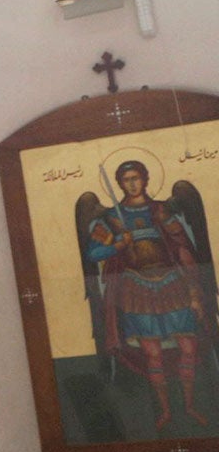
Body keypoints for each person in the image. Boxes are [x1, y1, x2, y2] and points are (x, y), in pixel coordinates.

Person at [83, 160, 210, 429]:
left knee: (188, 346)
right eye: (126, 179)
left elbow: (183, 249)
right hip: (135, 289)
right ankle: (165, 411)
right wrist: (118, 244)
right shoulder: (111, 218)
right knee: (152, 353)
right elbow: (93, 254)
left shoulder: (161, 211)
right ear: (119, 183)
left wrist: (195, 293)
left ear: (146, 179)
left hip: (173, 285)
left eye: (136, 177)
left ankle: (188, 406)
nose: (131, 183)